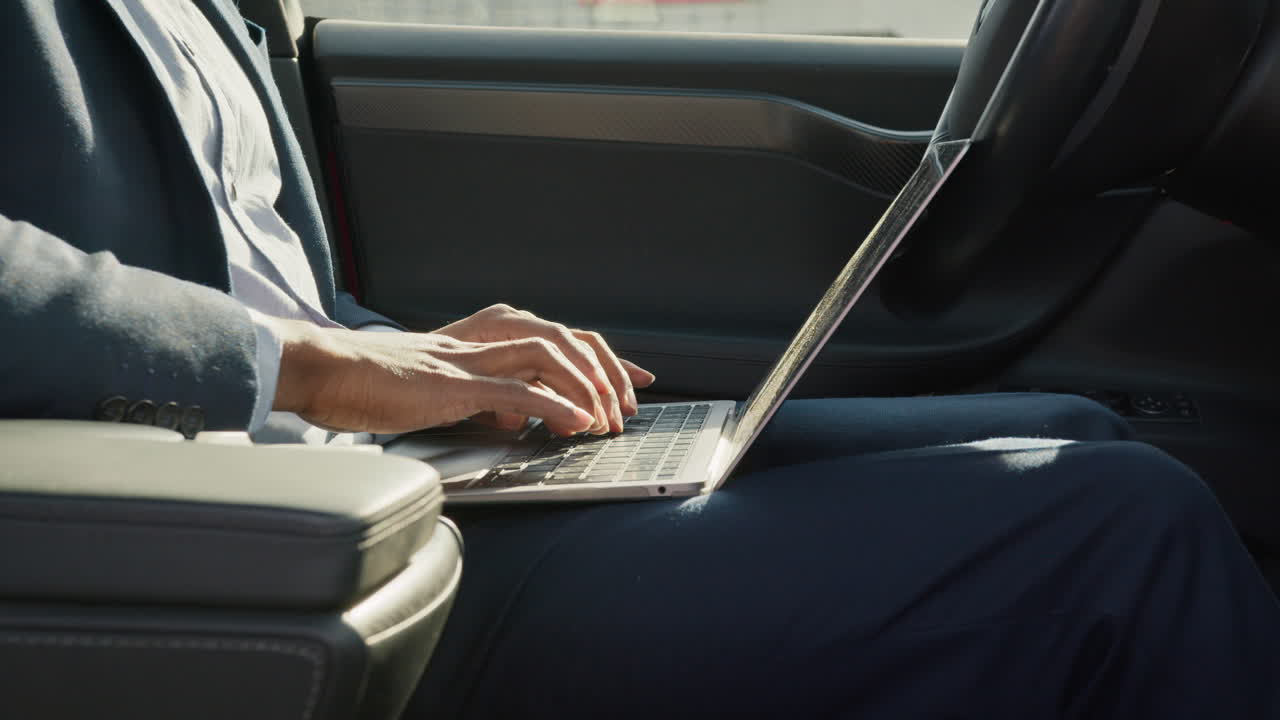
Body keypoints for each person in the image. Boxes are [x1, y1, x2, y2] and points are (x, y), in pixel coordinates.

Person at [1, 1, 1277, 717]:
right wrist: (312, 365)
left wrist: (400, 352)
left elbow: (245, 259)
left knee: (1085, 436)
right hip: (222, 550)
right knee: (1119, 530)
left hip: (382, 473)